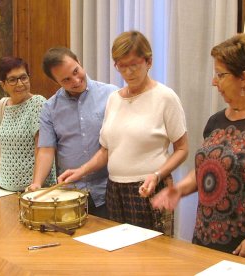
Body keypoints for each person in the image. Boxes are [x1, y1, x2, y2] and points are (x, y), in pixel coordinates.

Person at [151, 33, 245, 265]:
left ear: (244, 78)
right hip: (206, 241)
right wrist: (178, 190)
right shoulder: (216, 121)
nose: (214, 81)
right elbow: (207, 171)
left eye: (221, 75)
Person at [58, 31, 188, 234]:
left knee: (151, 256)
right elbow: (106, 150)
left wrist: (157, 175)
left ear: (149, 61)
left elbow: (182, 149)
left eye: (134, 64)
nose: (128, 72)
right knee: (121, 256)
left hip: (149, 188)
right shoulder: (114, 99)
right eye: (122, 66)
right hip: (115, 189)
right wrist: (80, 171)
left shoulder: (165, 97)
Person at [28, 47, 118, 219]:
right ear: (56, 82)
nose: (76, 81)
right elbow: (46, 150)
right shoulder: (50, 108)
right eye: (66, 80)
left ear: (79, 61)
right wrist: (37, 183)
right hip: (69, 194)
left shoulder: (111, 94)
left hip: (107, 190)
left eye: (76, 71)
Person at [0, 56, 56, 191]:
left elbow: (42, 148)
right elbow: (4, 147)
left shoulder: (38, 103)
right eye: (13, 80)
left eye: (23, 77)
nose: (20, 84)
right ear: (3, 84)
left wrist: (35, 184)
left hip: (31, 190)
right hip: (4, 187)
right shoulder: (1, 105)